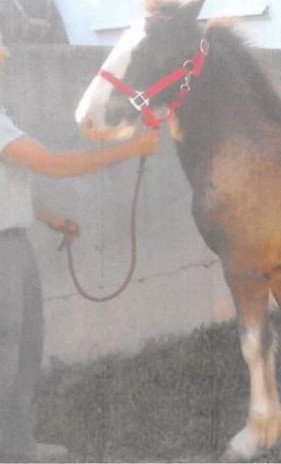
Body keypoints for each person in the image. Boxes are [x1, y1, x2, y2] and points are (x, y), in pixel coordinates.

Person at [0, 30, 159, 461]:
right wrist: (133, 146)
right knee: (6, 354)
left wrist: (49, 219)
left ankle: (17, 447)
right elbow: (54, 164)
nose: (6, 49)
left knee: (24, 348)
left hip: (13, 241)